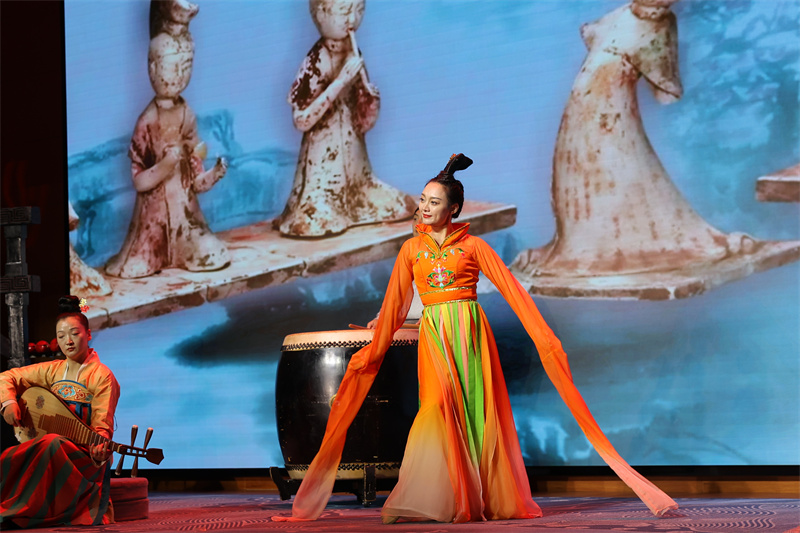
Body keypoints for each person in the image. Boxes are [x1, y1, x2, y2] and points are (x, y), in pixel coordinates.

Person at [276, 153, 678, 524]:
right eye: (423, 199)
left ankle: (476, 498)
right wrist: (377, 337)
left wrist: (545, 338)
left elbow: (514, 293)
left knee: (475, 413)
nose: (425, 207)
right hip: (434, 335)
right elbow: (396, 304)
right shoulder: (411, 251)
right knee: (435, 408)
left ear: (453, 209)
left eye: (435, 201)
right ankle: (435, 498)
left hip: (469, 332)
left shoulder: (474, 246)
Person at [0, 296, 121, 528]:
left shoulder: (102, 376)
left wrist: (100, 445)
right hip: (53, 445)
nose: (68, 341)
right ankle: (13, 509)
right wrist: (8, 402)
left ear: (88, 334)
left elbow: (102, 423)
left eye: (74, 333)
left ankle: (20, 513)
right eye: (61, 336)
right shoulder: (52, 370)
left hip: (84, 454)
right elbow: (7, 377)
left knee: (51, 443)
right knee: (11, 455)